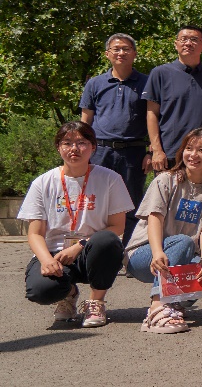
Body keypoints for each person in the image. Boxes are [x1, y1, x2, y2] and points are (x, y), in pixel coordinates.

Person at [20, 122, 133, 328]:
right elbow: (35, 233)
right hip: (56, 253)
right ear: (58, 147)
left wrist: (80, 245)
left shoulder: (110, 179)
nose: (74, 148)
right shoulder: (43, 183)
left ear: (93, 147)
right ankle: (69, 294)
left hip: (92, 250)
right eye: (67, 143)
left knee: (107, 240)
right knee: (40, 291)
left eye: (81, 142)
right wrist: (46, 260)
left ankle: (96, 302)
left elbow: (117, 227)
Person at [124, 127, 202, 334]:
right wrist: (157, 252)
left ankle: (174, 303)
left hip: (181, 255)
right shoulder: (166, 180)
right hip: (145, 255)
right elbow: (154, 218)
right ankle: (157, 307)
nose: (193, 155)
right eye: (189, 148)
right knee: (183, 241)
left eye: (201, 150)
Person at [79, 33, 149, 243]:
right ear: (107, 54)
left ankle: (129, 251)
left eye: (126, 49)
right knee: (96, 203)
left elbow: (156, 119)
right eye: (116, 49)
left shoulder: (147, 83)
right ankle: (96, 249)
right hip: (100, 152)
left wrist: (152, 151)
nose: (121, 53)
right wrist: (83, 151)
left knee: (132, 204)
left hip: (134, 152)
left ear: (134, 53)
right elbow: (85, 120)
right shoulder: (95, 83)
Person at [143, 26, 202, 175]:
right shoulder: (160, 73)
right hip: (169, 153)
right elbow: (152, 113)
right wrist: (156, 150)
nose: (188, 43)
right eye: (184, 39)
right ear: (176, 44)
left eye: (194, 39)